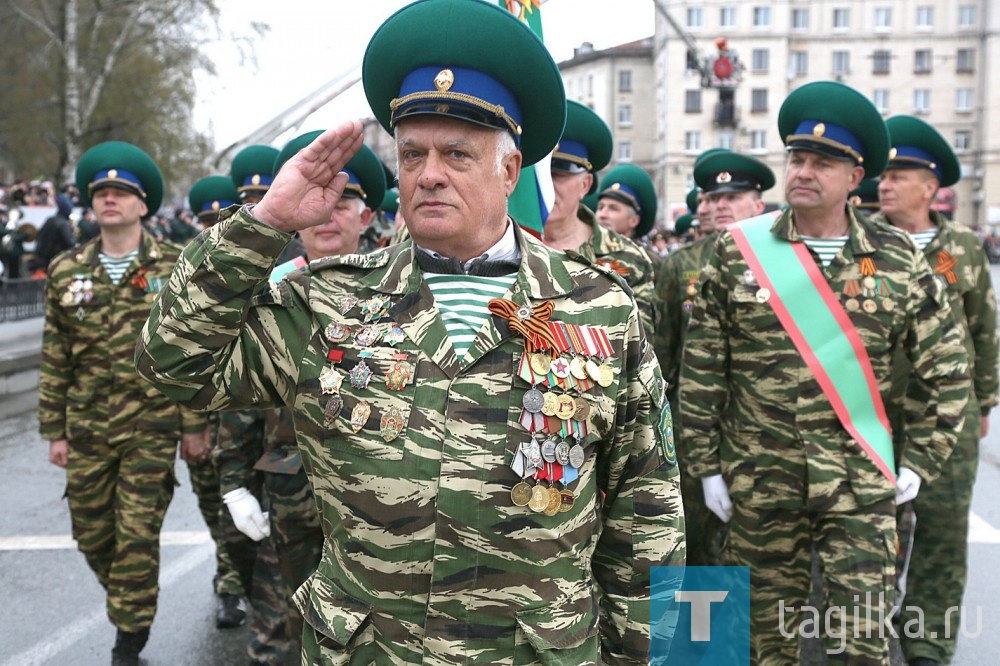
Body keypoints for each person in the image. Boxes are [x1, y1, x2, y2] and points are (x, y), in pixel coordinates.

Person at [135, 0, 684, 663]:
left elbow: (647, 513)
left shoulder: (597, 307)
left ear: (509, 171)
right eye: (413, 152)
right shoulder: (325, 300)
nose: (428, 173)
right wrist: (265, 221)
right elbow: (172, 364)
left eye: (457, 153)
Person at [680, 80, 970, 664]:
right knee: (762, 642)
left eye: (821, 162)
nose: (803, 171)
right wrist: (706, 466)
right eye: (796, 158)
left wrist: (919, 461)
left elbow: (947, 369)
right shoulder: (739, 252)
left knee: (858, 641)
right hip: (761, 483)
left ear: (854, 176)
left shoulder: (899, 258)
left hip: (860, 487)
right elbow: (704, 368)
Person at [38, 141, 210, 666]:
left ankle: (128, 640)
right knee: (91, 534)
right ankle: (128, 603)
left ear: (142, 205)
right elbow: (56, 356)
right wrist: (55, 432)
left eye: (121, 193)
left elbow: (190, 351)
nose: (109, 200)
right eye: (101, 193)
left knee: (136, 536)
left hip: (150, 426)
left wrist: (194, 426)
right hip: (86, 427)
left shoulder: (173, 265)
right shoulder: (67, 270)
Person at [219, 135, 387, 664]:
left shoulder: (402, 295)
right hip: (292, 488)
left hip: (377, 493)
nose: (328, 217)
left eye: (344, 203)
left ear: (367, 217)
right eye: (319, 201)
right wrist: (233, 483)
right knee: (287, 627)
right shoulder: (269, 293)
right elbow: (239, 401)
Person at [871, 114, 998, 666]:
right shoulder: (862, 243)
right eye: (883, 174)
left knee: (943, 534)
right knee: (874, 535)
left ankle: (926, 643)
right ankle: (865, 632)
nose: (886, 183)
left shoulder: (962, 248)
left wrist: (985, 401)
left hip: (948, 417)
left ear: (932, 186)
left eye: (900, 174)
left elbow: (983, 329)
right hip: (871, 413)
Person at [654, 149, 774, 568]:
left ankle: (741, 633)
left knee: (756, 548)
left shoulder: (785, 263)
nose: (722, 205)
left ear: (758, 204)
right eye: (715, 197)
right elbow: (663, 355)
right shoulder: (682, 263)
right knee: (691, 540)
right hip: (695, 428)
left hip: (763, 427)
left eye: (735, 196)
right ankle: (694, 634)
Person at [185, 173, 266, 633]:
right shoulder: (200, 266)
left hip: (257, 411)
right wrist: (190, 426)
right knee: (222, 502)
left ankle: (239, 583)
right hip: (212, 412)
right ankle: (230, 580)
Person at [542, 99, 658, 337]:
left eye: (558, 175)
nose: (546, 186)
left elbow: (637, 349)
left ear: (585, 185)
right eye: (540, 174)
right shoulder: (500, 249)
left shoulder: (627, 258)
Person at [594, 163, 658, 245]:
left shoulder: (643, 257)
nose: (602, 215)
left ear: (633, 221)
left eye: (613, 208)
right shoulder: (584, 255)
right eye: (600, 207)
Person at [29, 193, 78, 276]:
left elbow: (39, 235)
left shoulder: (50, 220)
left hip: (44, 258)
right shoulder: (63, 224)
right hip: (57, 259)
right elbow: (70, 242)